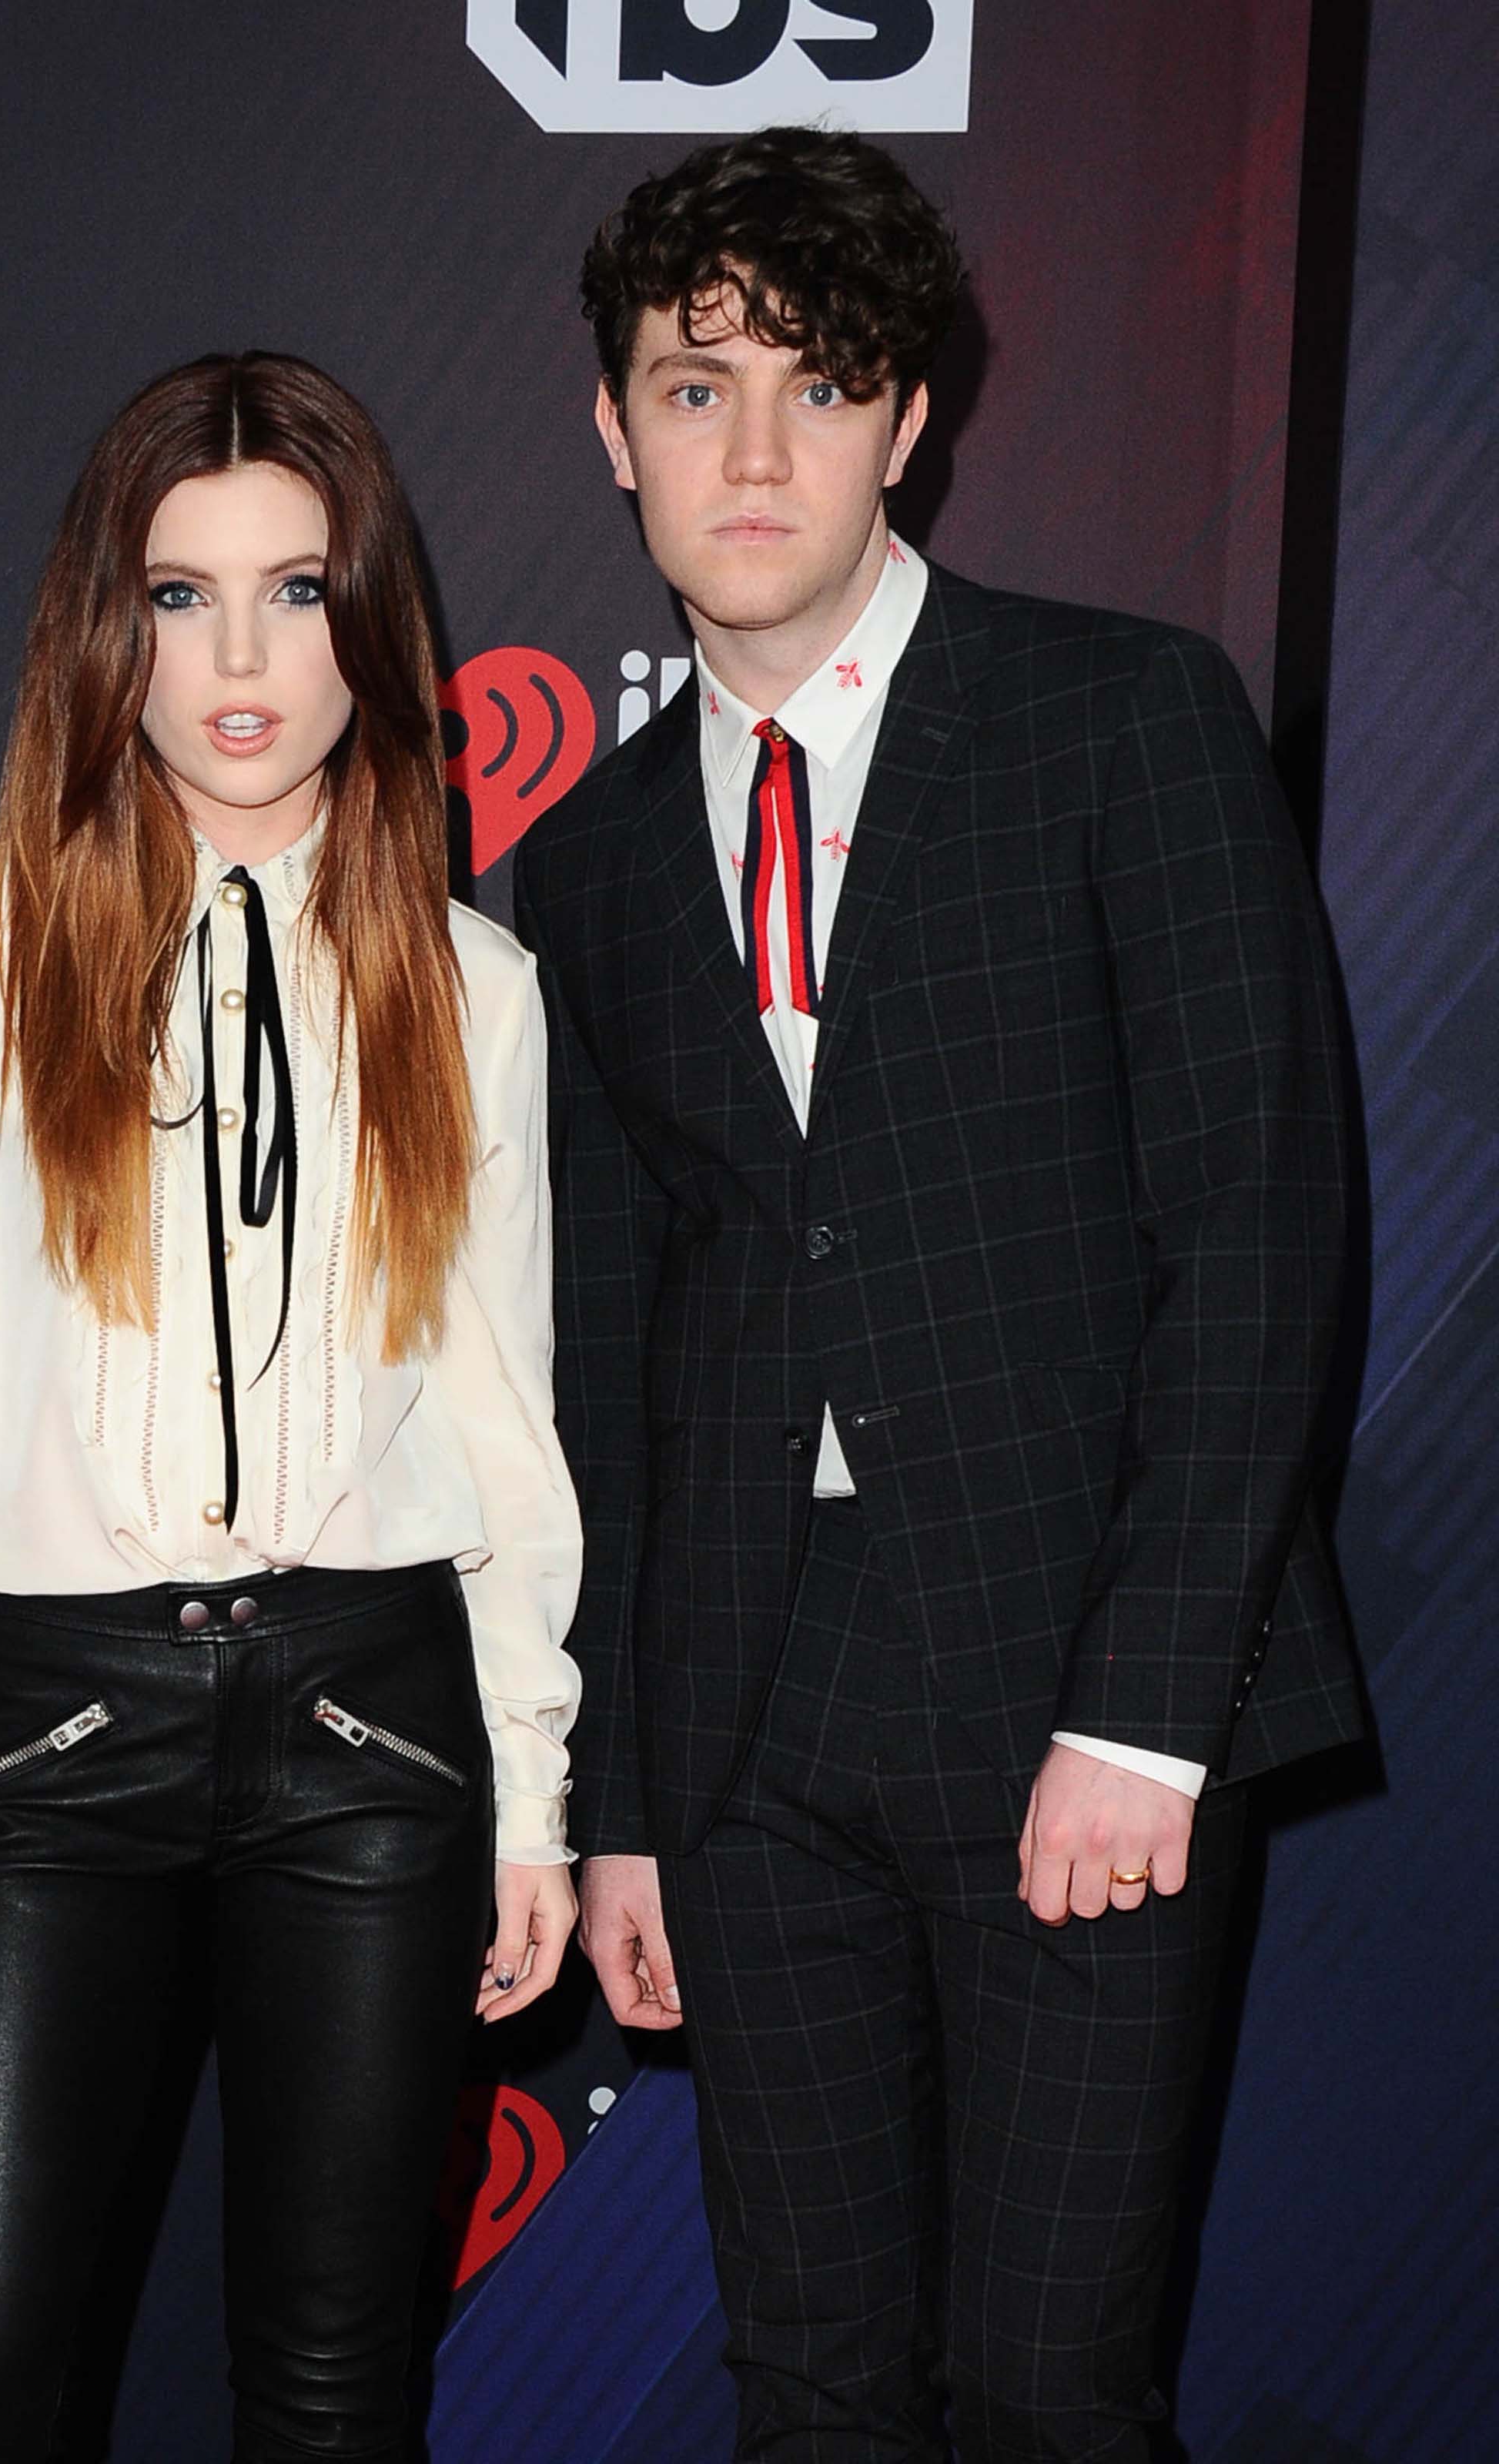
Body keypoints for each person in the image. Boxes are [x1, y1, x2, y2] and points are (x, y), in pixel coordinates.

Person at [515, 128, 1363, 2459]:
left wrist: (1155, 1701)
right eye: (695, 389)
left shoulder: (1123, 722)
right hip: (747, 1727)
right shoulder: (572, 867)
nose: (754, 447)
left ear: (910, 420)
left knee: (1053, 2387)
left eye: (817, 382)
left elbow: (1258, 1228)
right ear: (613, 431)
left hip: (1071, 1683)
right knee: (812, 2393)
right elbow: (609, 1353)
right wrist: (621, 1799)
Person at [0, 350, 584, 2463]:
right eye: (179, 596)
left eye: (296, 590)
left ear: (371, 621)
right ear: (104, 625)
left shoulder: (476, 987)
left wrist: (529, 1784)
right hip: (51, 1723)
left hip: (375, 1717)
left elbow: (505, 1420)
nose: (240, 658)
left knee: (337, 2390)